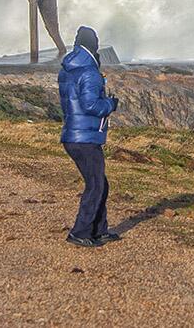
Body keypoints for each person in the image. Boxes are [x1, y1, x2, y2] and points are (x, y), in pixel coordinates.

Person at [59, 26, 120, 247]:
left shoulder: (69, 69)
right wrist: (111, 104)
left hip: (72, 135)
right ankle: (80, 232)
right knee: (96, 185)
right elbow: (91, 105)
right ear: (93, 45)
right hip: (84, 138)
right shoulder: (90, 72)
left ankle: (99, 230)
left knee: (99, 183)